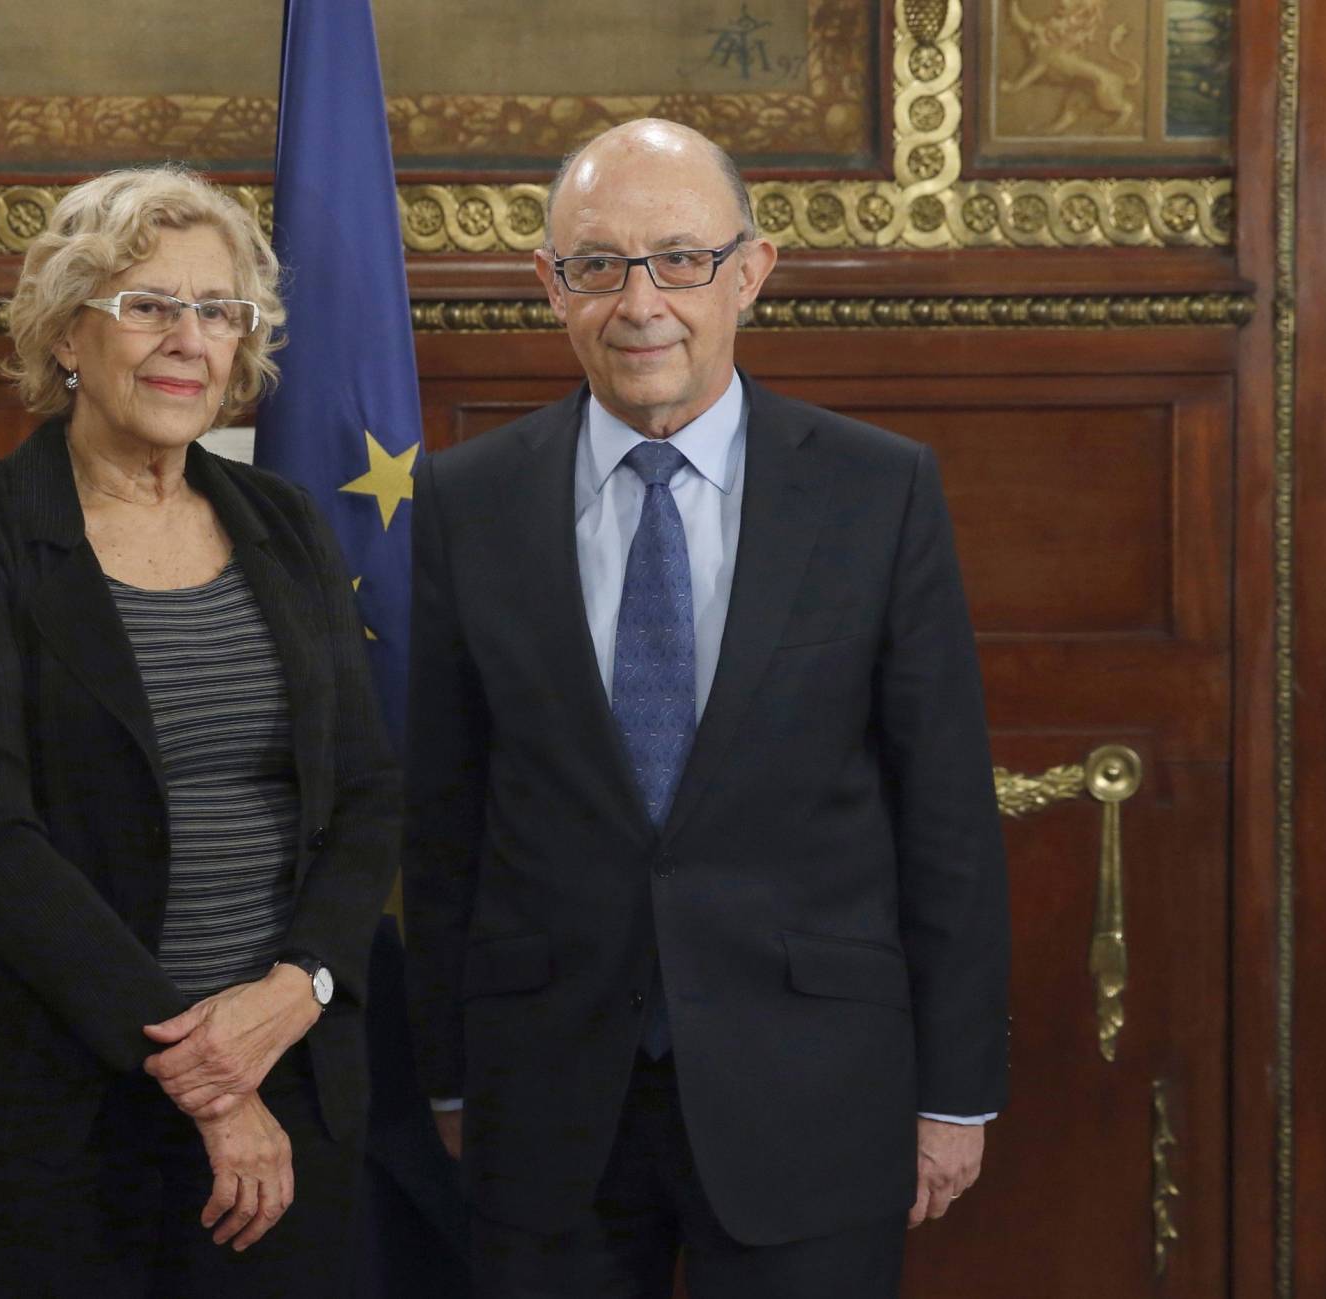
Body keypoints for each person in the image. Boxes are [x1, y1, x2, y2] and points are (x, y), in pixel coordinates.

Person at [403, 118, 1010, 1297]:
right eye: (598, 265)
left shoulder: (877, 490)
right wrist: (449, 1077)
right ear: (550, 284)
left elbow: (944, 818)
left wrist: (954, 1091)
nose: (642, 303)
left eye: (679, 258)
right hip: (546, 1099)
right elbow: (443, 814)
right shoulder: (468, 498)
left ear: (750, 271)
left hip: (815, 1095)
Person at [0, 166, 399, 1298]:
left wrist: (295, 988)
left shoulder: (283, 523)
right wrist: (212, 1080)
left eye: (218, 312)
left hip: (290, 1082)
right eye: (148, 305)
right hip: (39, 1113)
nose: (188, 341)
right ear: (69, 334)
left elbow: (364, 793)